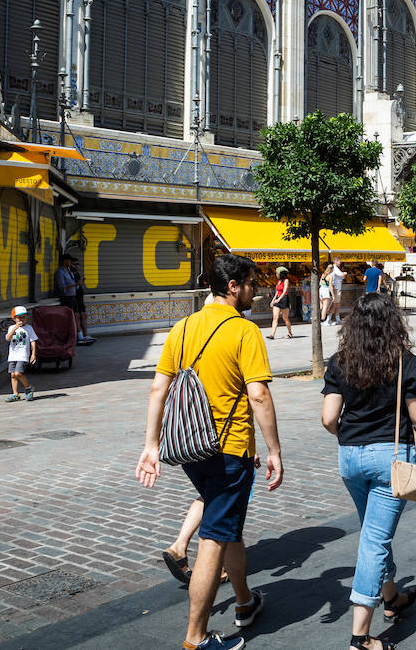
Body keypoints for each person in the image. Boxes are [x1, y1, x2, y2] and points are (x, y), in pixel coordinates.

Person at [137, 253, 283, 650]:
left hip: (189, 448)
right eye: (251, 283)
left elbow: (158, 389)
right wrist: (274, 449)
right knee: (214, 539)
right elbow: (259, 394)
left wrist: (151, 446)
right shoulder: (244, 330)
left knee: (228, 526)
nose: (256, 290)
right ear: (233, 286)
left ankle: (244, 602)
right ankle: (196, 637)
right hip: (228, 449)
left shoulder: (182, 328)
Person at [321, 293, 416, 650]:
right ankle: (360, 637)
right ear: (393, 323)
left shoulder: (340, 362)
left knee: (372, 531)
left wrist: (349, 437)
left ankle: (391, 597)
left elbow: (329, 417)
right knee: (375, 540)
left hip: (350, 459)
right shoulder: (405, 362)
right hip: (390, 458)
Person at [55, 254, 95, 345]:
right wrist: (75, 284)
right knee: (72, 317)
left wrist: (78, 285)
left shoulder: (69, 271)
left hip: (73, 297)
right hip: (66, 298)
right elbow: (62, 287)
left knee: (77, 316)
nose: (70, 263)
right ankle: (76, 337)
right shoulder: (60, 272)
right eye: (69, 261)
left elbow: (73, 285)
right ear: (65, 261)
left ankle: (80, 336)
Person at [5, 306, 37, 402]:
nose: (22, 319)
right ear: (14, 318)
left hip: (22, 355)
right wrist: (15, 328)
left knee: (18, 373)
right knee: (13, 375)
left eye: (24, 317)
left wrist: (33, 354)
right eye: (19, 317)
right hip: (13, 355)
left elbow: (33, 341)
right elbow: (8, 338)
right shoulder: (11, 328)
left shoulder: (29, 328)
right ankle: (15, 394)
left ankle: (28, 387)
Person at [268, 267, 294, 340]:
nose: (276, 275)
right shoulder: (279, 281)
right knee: (275, 317)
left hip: (284, 299)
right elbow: (277, 291)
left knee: (285, 318)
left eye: (277, 273)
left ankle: (290, 333)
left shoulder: (286, 281)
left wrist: (279, 299)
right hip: (278, 299)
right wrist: (273, 300)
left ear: (281, 274)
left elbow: (285, 291)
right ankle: (272, 334)